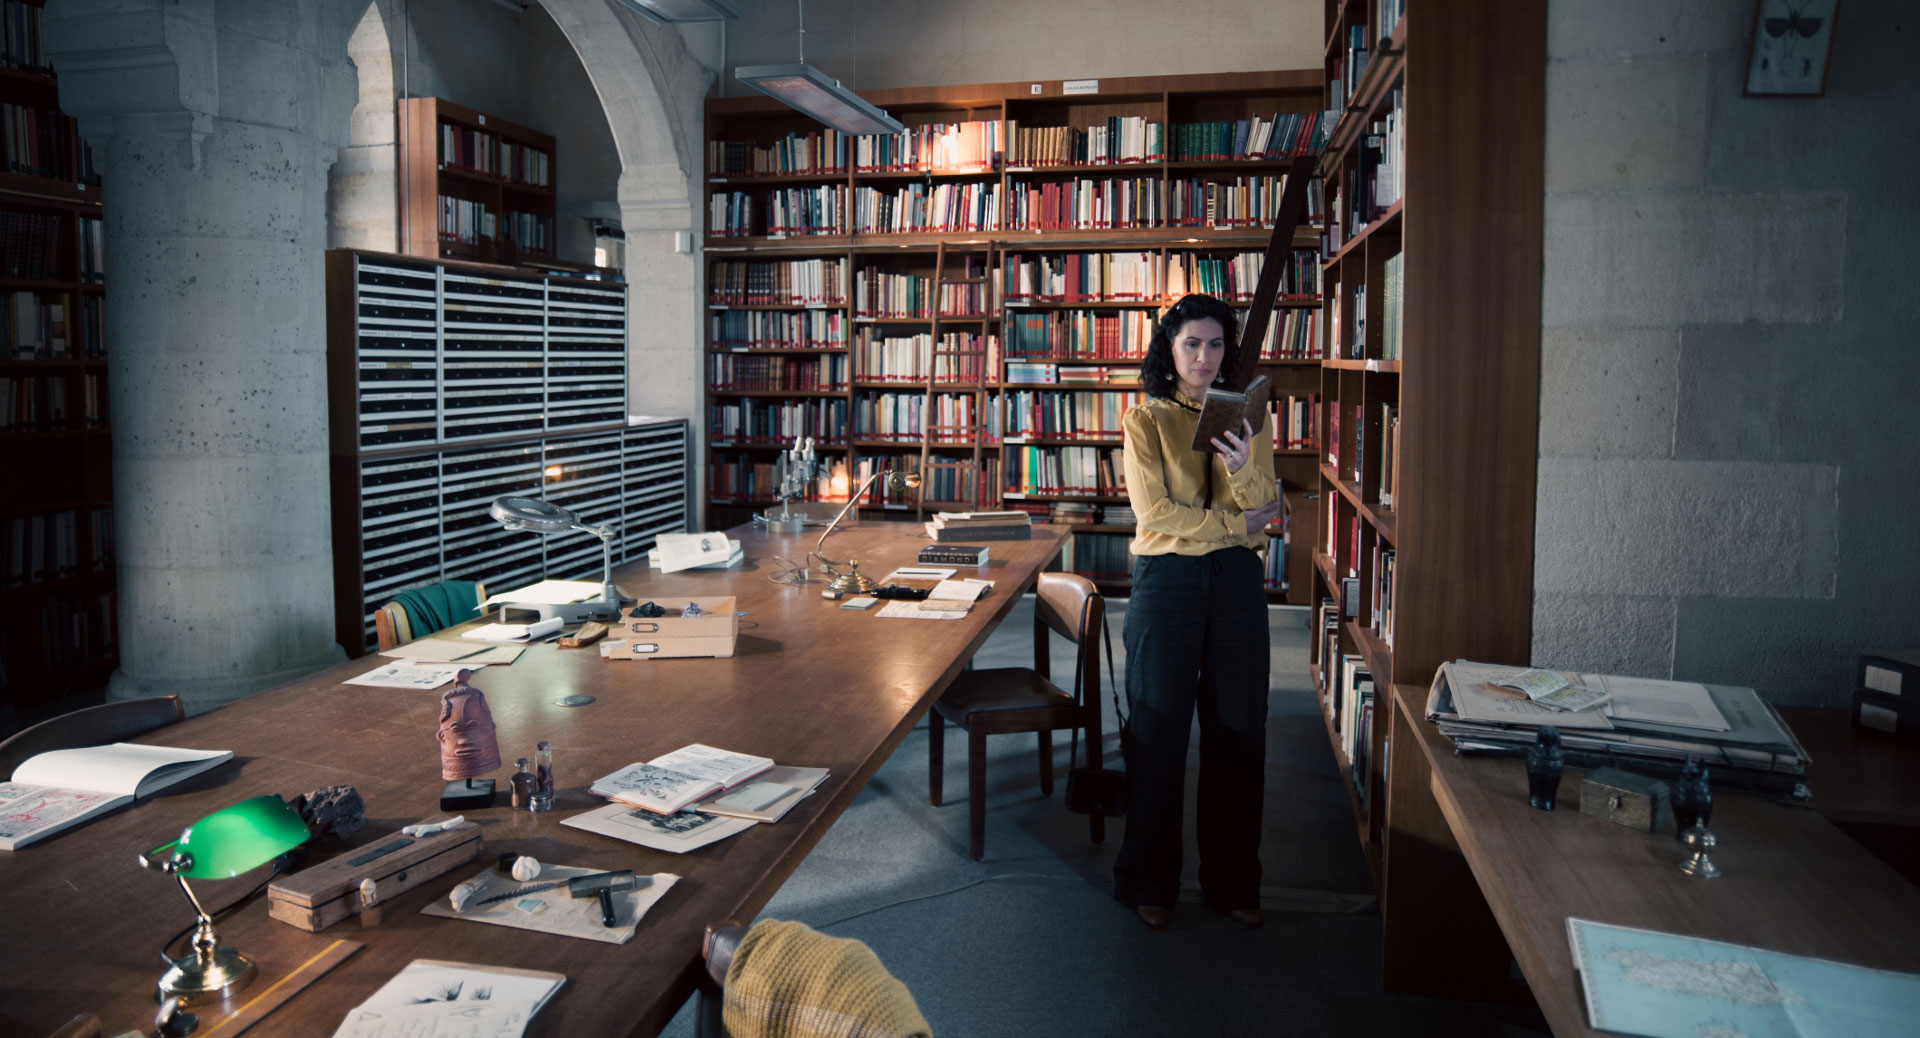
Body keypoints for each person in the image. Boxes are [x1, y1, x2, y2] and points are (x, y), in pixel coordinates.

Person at [1114, 292, 1279, 930]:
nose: (1203, 357)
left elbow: (1266, 506)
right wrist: (1237, 525)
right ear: (1170, 349)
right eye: (1191, 344)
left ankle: (1234, 881)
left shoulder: (1250, 419)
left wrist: (1241, 469)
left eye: (1214, 344)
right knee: (1158, 730)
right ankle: (1149, 880)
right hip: (1168, 581)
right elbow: (1155, 515)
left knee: (1239, 730)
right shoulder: (1145, 420)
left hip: (1235, 582)